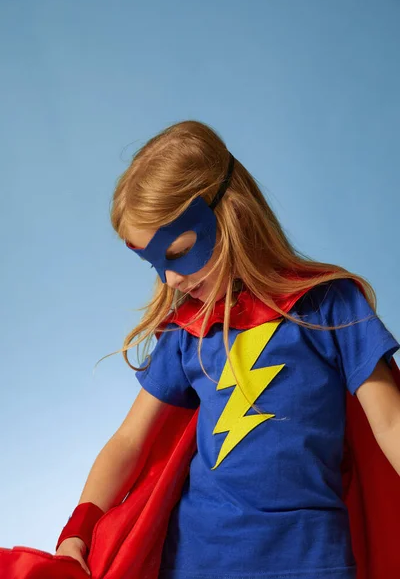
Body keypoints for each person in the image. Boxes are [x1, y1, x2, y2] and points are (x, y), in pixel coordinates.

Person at [21, 121, 400, 578]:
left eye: (178, 252)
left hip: (312, 560)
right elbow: (129, 441)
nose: (170, 280)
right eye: (155, 264)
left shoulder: (330, 306)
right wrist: (79, 527)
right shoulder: (188, 332)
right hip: (195, 562)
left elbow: (392, 423)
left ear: (231, 216)